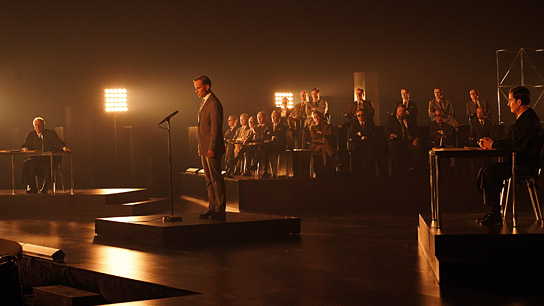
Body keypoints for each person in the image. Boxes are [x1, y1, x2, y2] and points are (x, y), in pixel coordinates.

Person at [477, 86, 544, 226]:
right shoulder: (524, 119)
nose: (508, 104)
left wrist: (494, 144)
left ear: (519, 102)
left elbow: (517, 146)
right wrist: (492, 143)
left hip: (524, 165)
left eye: (510, 100)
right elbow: (513, 142)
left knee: (490, 173)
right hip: (519, 162)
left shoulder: (528, 121)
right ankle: (493, 210)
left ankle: (495, 213)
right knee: (484, 171)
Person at [194, 75, 227, 220]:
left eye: (198, 87)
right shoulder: (203, 103)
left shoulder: (213, 103)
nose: (196, 91)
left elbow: (215, 128)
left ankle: (220, 209)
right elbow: (202, 128)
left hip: (212, 148)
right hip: (204, 147)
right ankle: (212, 207)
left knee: (216, 178)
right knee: (208, 179)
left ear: (207, 87)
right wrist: (200, 145)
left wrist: (211, 147)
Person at [21, 117, 71, 194]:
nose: (37, 127)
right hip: (36, 159)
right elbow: (25, 145)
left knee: (47, 166)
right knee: (27, 164)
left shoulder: (50, 133)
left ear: (43, 125)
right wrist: (25, 148)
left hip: (48, 159)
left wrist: (63, 147)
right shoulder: (30, 135)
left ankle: (45, 187)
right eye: (36, 125)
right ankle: (33, 187)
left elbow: (58, 142)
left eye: (39, 125)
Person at [385, 104, 420, 175]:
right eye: (399, 111)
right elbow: (386, 129)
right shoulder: (392, 119)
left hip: (409, 141)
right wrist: (391, 134)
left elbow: (416, 130)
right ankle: (397, 171)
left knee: (418, 148)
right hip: (398, 141)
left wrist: (416, 139)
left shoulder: (410, 119)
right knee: (393, 147)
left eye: (403, 111)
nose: (401, 113)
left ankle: (410, 167)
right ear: (396, 111)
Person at [259, 110, 288, 177]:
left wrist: (270, 134)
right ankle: (265, 171)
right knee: (264, 150)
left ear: (279, 117)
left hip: (279, 146)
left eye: (275, 116)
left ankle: (256, 164)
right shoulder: (269, 127)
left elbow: (279, 134)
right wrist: (271, 136)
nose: (273, 118)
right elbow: (264, 135)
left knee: (263, 147)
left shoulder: (283, 126)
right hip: (270, 145)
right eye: (272, 116)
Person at [310, 110, 337, 176]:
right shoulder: (312, 127)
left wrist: (321, 133)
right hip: (316, 145)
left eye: (317, 116)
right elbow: (314, 136)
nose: (316, 118)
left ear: (320, 116)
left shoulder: (327, 125)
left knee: (324, 146)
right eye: (315, 117)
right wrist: (323, 136)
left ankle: (325, 166)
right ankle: (333, 157)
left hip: (324, 145)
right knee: (324, 141)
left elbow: (330, 133)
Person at [349, 109, 375, 176]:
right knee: (355, 149)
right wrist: (360, 137)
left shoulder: (370, 122)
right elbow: (352, 134)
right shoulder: (354, 123)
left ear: (365, 116)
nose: (360, 117)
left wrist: (360, 133)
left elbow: (370, 132)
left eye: (362, 115)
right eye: (358, 116)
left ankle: (368, 171)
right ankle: (356, 171)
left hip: (367, 142)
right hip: (357, 143)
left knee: (369, 151)